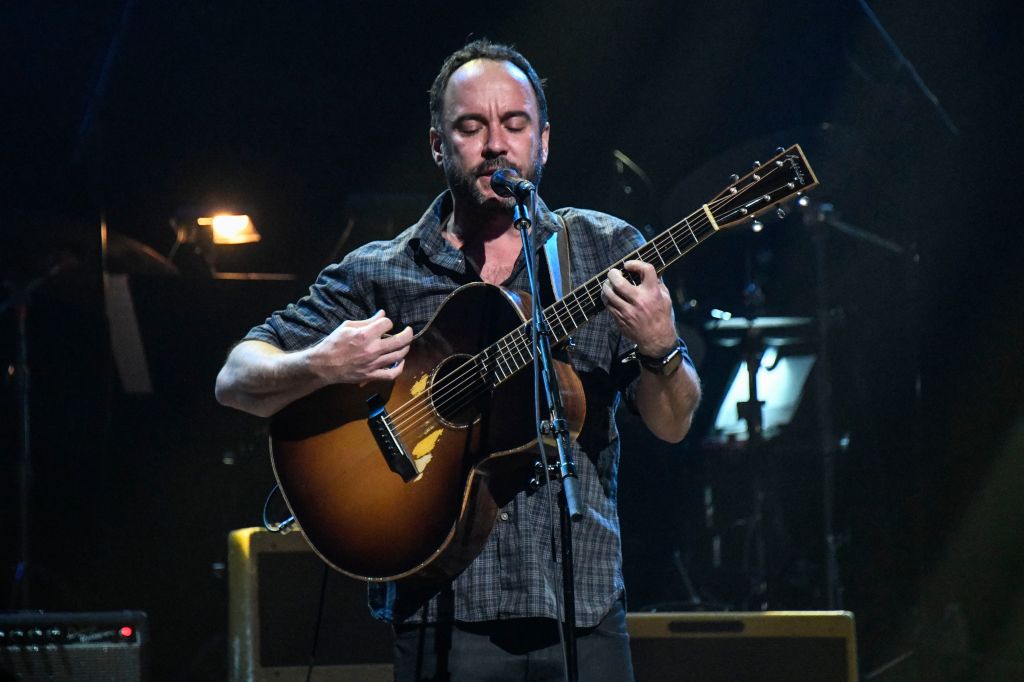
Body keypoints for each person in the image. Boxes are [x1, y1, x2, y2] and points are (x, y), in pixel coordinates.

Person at [216, 39, 701, 682]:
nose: (496, 144)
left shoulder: (604, 249)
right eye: (472, 127)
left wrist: (661, 347)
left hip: (581, 607)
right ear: (439, 146)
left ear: (544, 141)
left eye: (515, 124)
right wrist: (323, 364)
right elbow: (236, 379)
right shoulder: (381, 272)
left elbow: (672, 423)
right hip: (438, 605)